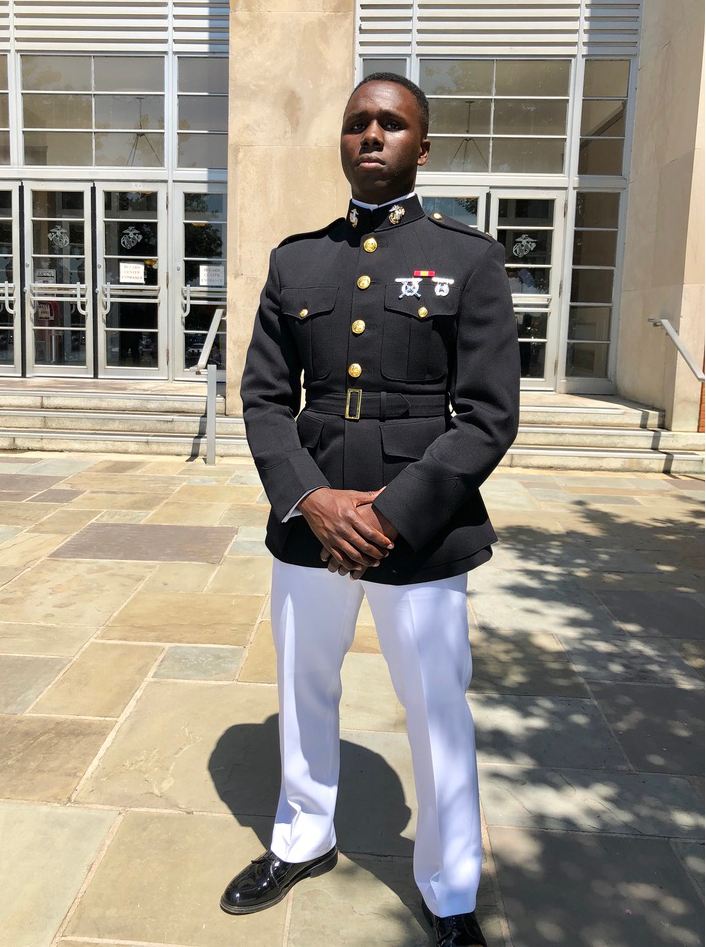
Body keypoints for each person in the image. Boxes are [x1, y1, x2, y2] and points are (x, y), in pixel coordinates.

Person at [222, 73, 520, 947]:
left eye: (391, 124)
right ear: (341, 141)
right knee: (302, 684)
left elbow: (489, 414)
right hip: (309, 522)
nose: (371, 134)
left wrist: (391, 511)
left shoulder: (469, 259)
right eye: (357, 122)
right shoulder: (296, 260)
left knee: (434, 706)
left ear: (421, 147)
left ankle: (449, 884)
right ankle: (302, 836)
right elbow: (265, 401)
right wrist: (311, 499)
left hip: (418, 528)